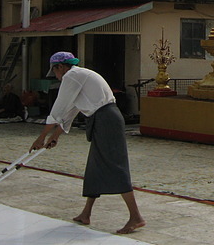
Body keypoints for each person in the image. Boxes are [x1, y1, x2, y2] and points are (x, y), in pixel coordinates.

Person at [30, 51, 145, 234]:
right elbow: (72, 110)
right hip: (102, 119)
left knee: (115, 166)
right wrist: (56, 135)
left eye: (56, 72)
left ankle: (136, 217)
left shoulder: (73, 75)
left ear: (60, 67)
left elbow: (59, 108)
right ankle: (86, 213)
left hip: (107, 120)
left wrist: (41, 137)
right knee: (95, 167)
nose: (57, 77)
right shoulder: (79, 77)